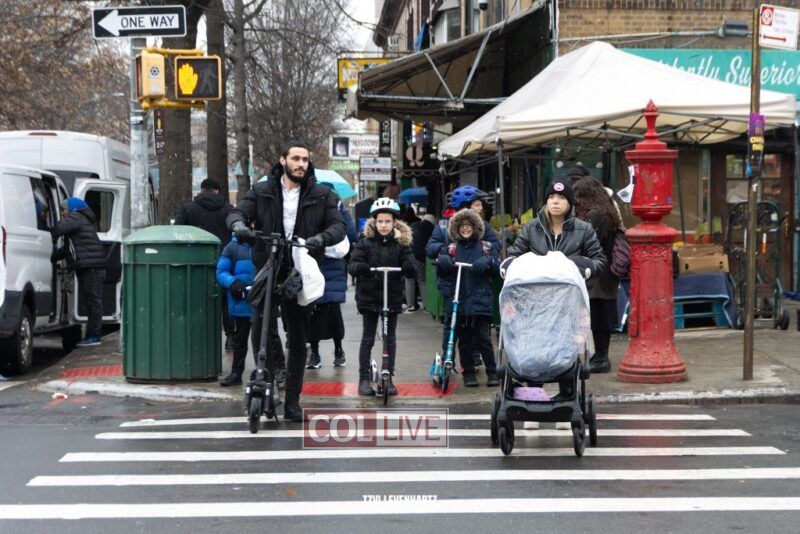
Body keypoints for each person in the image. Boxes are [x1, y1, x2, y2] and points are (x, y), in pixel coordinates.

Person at [227, 140, 346, 422]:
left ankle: (292, 401)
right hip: (269, 266)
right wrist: (239, 225)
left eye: (305, 159)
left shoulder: (321, 194)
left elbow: (338, 226)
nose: (301, 164)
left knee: (299, 336)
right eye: (296, 158)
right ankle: (268, 385)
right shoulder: (262, 190)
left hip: (300, 269)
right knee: (260, 327)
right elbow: (238, 212)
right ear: (283, 160)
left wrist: (321, 238)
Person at [501, 179, 606, 399]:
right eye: (551, 197)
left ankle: (567, 396)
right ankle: (533, 393)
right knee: (534, 346)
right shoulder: (532, 228)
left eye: (561, 198)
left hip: (568, 302)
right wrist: (510, 267)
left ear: (570, 203)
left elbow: (599, 261)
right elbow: (514, 255)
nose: (555, 202)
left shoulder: (583, 229)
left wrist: (579, 267)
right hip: (534, 303)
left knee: (565, 347)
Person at [425, 185, 501, 368]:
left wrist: (487, 258)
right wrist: (444, 252)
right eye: (477, 204)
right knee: (451, 323)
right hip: (452, 283)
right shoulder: (444, 225)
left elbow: (495, 246)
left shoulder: (482, 226)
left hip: (476, 283)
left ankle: (473, 356)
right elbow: (430, 247)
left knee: (475, 323)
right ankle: (448, 357)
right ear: (465, 206)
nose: (481, 207)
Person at [348, 198, 416, 396]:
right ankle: (363, 378)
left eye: (387, 221)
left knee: (389, 338)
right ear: (374, 222)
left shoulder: (401, 244)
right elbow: (352, 264)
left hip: (391, 296)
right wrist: (362, 267)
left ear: (394, 222)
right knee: (368, 338)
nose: (384, 225)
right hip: (369, 296)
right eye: (380, 221)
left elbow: (410, 265)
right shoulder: (365, 243)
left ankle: (388, 375)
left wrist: (408, 267)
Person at [435, 208, 500, 387]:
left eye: (468, 225)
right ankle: (468, 373)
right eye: (462, 226)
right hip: (460, 299)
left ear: (475, 227)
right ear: (456, 229)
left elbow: (497, 269)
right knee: (465, 341)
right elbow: (442, 272)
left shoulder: (485, 248)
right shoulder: (452, 249)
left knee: (483, 339)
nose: (465, 228)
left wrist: (488, 262)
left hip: (480, 300)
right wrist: (443, 264)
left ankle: (492, 371)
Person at [175, 178, 236, 351]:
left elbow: (178, 231)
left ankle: (200, 336)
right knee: (225, 300)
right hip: (223, 259)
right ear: (218, 191)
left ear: (201, 190)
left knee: (198, 299)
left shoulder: (189, 208)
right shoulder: (228, 209)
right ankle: (230, 337)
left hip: (196, 260)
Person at [572, 176, 621, 374]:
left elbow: (587, 243)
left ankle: (601, 357)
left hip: (599, 274)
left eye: (577, 195)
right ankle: (599, 356)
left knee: (599, 314)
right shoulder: (605, 211)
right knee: (599, 313)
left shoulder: (596, 215)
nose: (575, 199)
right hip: (604, 273)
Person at [306, 184, 358, 370]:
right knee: (314, 313)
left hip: (331, 269)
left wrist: (343, 214)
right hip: (315, 267)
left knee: (332, 313)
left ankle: (337, 350)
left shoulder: (338, 215)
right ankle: (317, 353)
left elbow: (350, 236)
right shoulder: (310, 213)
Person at [51, 197, 106, 347]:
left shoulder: (75, 217)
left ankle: (94, 336)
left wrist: (47, 233)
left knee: (93, 302)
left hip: (91, 267)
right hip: (91, 266)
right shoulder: (80, 221)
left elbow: (57, 229)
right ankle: (92, 336)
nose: (62, 213)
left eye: (63, 210)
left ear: (71, 210)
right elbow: (67, 249)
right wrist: (52, 257)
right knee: (92, 302)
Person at [216, 235, 256, 386]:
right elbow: (221, 271)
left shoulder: (261, 243)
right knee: (240, 341)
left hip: (257, 300)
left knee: (264, 340)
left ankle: (265, 373)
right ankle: (236, 373)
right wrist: (233, 284)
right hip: (241, 301)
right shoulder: (232, 248)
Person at [409, 213, 436, 311]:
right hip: (420, 256)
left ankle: (410, 305)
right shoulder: (431, 229)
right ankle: (426, 305)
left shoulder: (413, 225)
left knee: (410, 279)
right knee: (422, 279)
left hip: (409, 253)